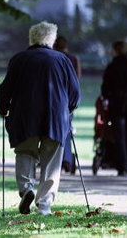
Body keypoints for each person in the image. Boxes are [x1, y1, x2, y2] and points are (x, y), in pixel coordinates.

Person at [0, 21, 80, 215]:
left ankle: (26, 189)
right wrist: (69, 110)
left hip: (25, 117)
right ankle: (44, 205)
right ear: (51, 39)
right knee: (51, 161)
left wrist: (3, 109)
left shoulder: (19, 59)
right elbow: (75, 92)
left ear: (31, 38)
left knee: (26, 153)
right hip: (55, 117)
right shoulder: (62, 60)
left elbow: (5, 89)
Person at [101, 41, 127, 176]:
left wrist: (106, 98)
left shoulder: (112, 66)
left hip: (117, 103)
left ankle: (122, 166)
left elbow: (106, 87)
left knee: (120, 136)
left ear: (116, 50)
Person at [53, 36, 82, 174]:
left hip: (53, 99)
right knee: (67, 129)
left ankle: (58, 159)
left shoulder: (52, 58)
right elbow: (77, 80)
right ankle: (67, 159)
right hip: (67, 100)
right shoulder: (73, 59)